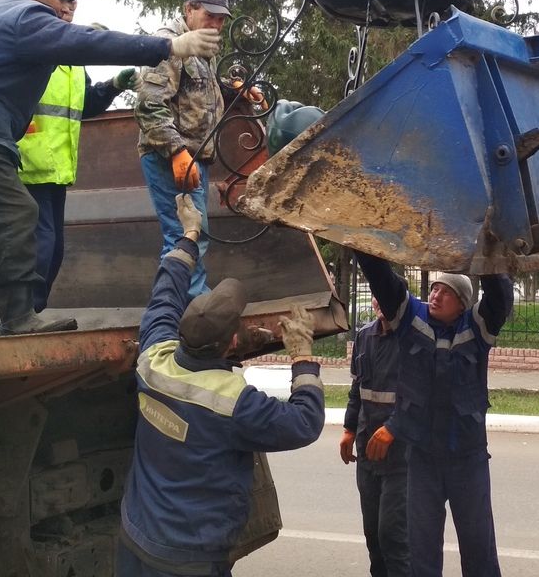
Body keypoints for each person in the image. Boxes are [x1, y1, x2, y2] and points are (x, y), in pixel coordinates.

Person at [0, 0, 220, 335]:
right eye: (62, 1)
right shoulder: (26, 15)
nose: (66, 10)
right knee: (17, 216)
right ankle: (18, 317)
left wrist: (110, 87)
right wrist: (167, 47)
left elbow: (76, 94)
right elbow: (88, 42)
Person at [118, 194, 325, 576]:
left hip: (135, 540)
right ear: (232, 344)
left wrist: (189, 234)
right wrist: (302, 356)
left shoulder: (153, 359)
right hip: (191, 559)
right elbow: (304, 423)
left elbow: (165, 292)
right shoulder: (233, 403)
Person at [354, 253, 514, 577]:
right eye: (434, 289)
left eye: (446, 292)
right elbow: (382, 279)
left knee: (479, 549)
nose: (435, 296)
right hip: (422, 459)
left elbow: (500, 295)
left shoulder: (478, 328)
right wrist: (364, 242)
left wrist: (485, 250)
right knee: (421, 554)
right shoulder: (411, 319)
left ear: (462, 304)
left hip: (468, 460)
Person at [18, 13, 140, 312]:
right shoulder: (37, 54)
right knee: (42, 243)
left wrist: (113, 85)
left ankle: (35, 312)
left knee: (55, 247)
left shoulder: (74, 66)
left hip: (57, 167)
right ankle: (22, 315)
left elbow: (85, 104)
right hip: (28, 164)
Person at [135, 0, 233, 299]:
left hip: (193, 157)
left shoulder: (203, 47)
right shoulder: (170, 44)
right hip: (170, 156)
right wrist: (177, 152)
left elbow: (199, 91)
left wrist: (234, 88)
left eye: (221, 20)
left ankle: (191, 302)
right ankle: (186, 310)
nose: (216, 25)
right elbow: (149, 104)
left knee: (195, 234)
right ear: (189, 8)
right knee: (182, 235)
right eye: (210, 16)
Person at [341, 297, 410, 577]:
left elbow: (422, 397)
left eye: (387, 294)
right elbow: (358, 388)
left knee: (393, 536)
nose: (382, 301)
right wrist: (348, 429)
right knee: (374, 537)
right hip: (367, 452)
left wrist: (394, 427)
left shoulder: (412, 338)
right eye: (376, 295)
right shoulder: (364, 336)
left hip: (402, 458)